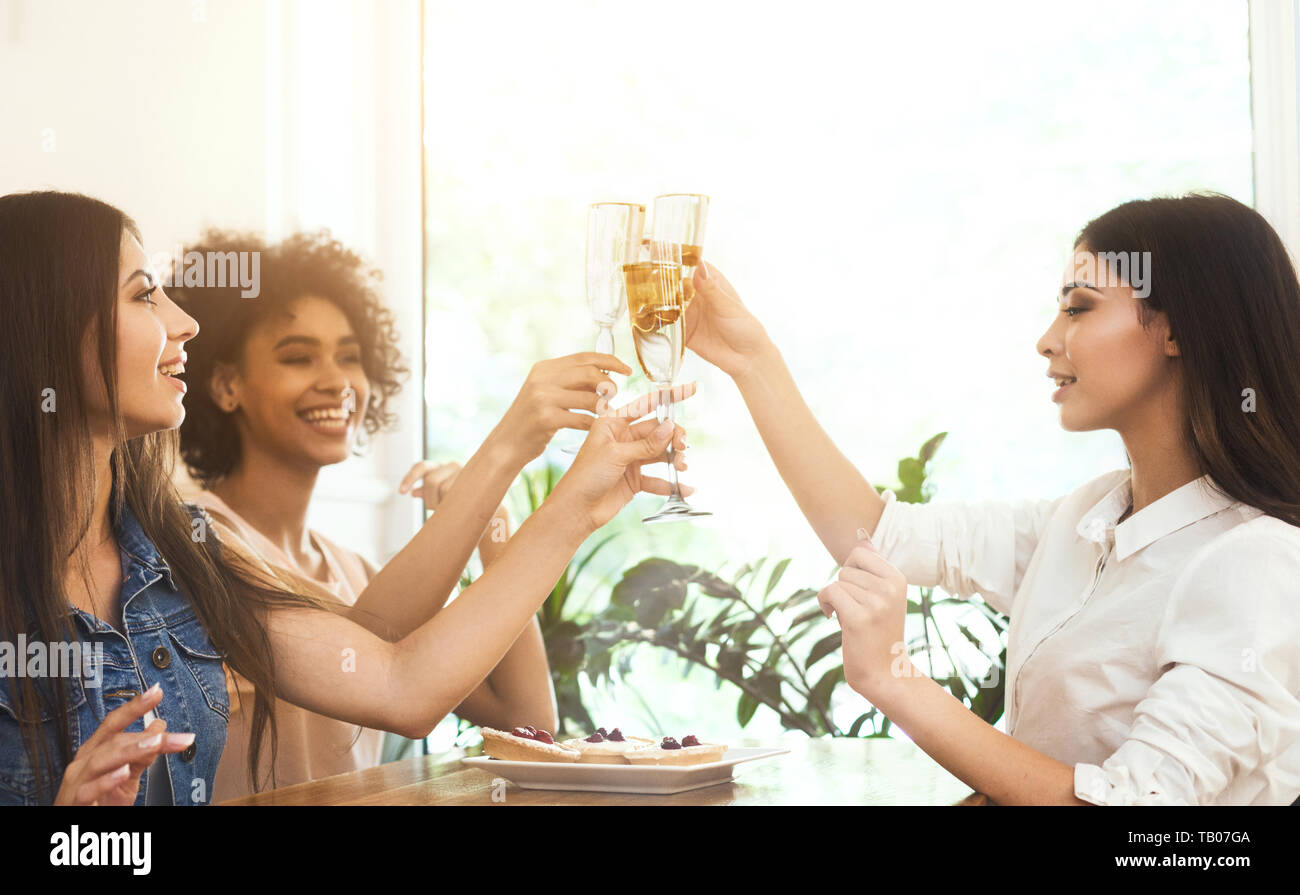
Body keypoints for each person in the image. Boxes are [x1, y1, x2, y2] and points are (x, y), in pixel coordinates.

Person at [0, 190, 689, 805]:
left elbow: (400, 680)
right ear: (51, 325)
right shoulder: (202, 533)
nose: (184, 323)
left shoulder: (180, 553)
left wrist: (582, 503)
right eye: (144, 294)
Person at [682, 192, 1300, 805]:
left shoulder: (1257, 563)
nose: (1047, 339)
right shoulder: (1084, 521)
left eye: (1079, 308)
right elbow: (875, 537)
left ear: (1179, 330)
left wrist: (895, 679)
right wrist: (749, 360)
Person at [170, 230, 680, 799]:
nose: (337, 381)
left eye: (349, 357)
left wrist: (493, 523)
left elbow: (524, 722)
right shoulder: (195, 542)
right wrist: (507, 448)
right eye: (297, 357)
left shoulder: (353, 571)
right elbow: (380, 666)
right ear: (224, 384)